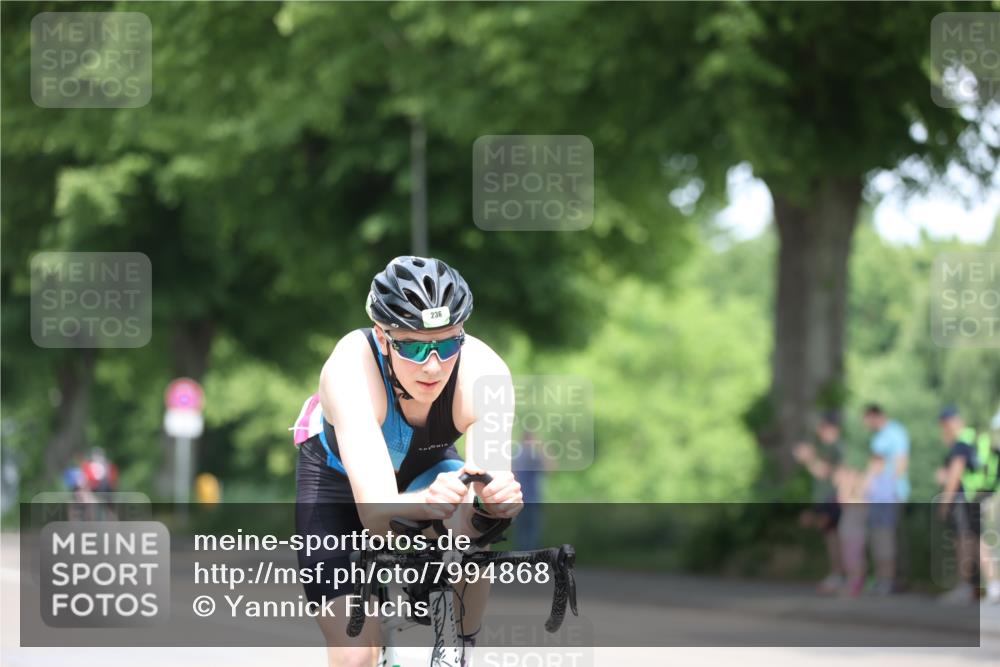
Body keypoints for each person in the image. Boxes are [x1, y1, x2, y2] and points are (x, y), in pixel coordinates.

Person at [291, 256, 523, 667]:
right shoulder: (350, 368)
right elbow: (375, 515)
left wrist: (493, 504)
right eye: (414, 347)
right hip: (337, 485)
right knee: (355, 655)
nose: (433, 366)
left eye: (447, 345)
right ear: (383, 338)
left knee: (476, 536)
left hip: (426, 471)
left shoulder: (484, 373)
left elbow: (481, 509)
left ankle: (459, 650)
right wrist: (429, 504)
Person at [935, 406, 996, 605]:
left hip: (964, 499)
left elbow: (955, 474)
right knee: (978, 540)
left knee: (963, 541)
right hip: (979, 497)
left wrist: (945, 502)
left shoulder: (961, 444)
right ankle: (993, 586)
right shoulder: (973, 438)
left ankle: (965, 587)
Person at [792, 411, 845, 593]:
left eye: (823, 427)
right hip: (825, 498)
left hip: (833, 498)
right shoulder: (824, 447)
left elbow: (825, 472)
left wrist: (809, 458)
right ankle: (837, 574)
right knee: (831, 537)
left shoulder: (836, 447)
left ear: (832, 428)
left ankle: (841, 575)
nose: (819, 430)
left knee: (836, 537)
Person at [861, 404, 910, 595]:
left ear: (875, 416)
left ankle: (889, 580)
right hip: (878, 495)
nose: (866, 425)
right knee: (878, 537)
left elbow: (900, 461)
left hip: (889, 494)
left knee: (887, 537)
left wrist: (891, 487)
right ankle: (882, 578)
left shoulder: (894, 433)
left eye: (867, 420)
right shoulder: (880, 436)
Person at [512, 429, 548, 550]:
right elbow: (550, 467)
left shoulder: (516, 455)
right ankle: (531, 557)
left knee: (521, 533)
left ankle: (521, 557)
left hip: (518, 498)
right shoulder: (533, 455)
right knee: (532, 533)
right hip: (532, 498)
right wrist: (542, 448)